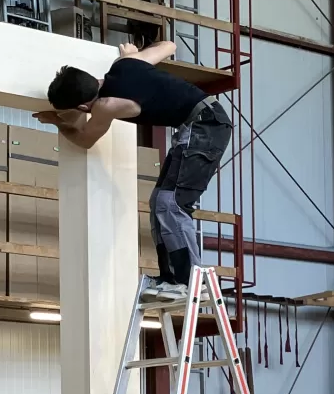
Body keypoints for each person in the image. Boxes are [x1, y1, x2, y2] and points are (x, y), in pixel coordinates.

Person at [35, 39, 233, 306]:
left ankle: (191, 281)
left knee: (171, 204)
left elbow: (85, 139)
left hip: (205, 127)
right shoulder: (124, 65)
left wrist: (57, 121)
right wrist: (134, 54)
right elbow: (169, 45)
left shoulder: (107, 105)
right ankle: (171, 278)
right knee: (159, 203)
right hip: (201, 122)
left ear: (83, 106)